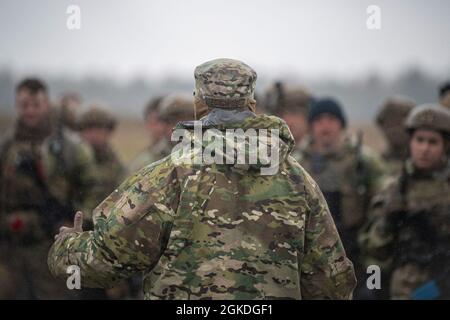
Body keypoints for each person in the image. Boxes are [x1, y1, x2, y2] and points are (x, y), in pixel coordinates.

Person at [48, 58, 356, 300]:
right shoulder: (298, 179)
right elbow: (333, 282)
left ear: (199, 103)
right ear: (251, 104)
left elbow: (104, 262)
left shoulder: (169, 174)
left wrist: (66, 247)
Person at [0, 78, 97, 299]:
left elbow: (92, 190)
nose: (30, 111)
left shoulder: (70, 147)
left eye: (36, 105)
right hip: (11, 249)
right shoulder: (7, 146)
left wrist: (78, 226)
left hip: (53, 243)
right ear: (17, 105)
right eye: (24, 105)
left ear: (47, 104)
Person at [359, 104, 450, 300]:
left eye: (433, 142)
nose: (424, 148)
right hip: (404, 290)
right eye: (419, 140)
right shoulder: (393, 189)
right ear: (410, 143)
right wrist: (389, 222)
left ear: (445, 146)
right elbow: (373, 250)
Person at [297, 97, 385, 298]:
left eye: (331, 119)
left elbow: (382, 209)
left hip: (356, 253)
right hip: (312, 257)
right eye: (319, 120)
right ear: (311, 126)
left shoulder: (363, 160)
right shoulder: (298, 163)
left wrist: (375, 277)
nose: (325, 126)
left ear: (341, 124)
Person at [79, 106, 125, 202]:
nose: (94, 134)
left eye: (99, 128)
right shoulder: (74, 159)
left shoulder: (115, 164)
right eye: (89, 128)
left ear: (108, 131)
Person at [264, 82, 311, 155]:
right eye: (282, 114)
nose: (288, 120)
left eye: (294, 113)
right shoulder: (271, 150)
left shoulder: (317, 150)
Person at [376, 96, 415, 175]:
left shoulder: (422, 162)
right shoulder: (376, 163)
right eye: (390, 123)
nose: (396, 130)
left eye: (401, 124)